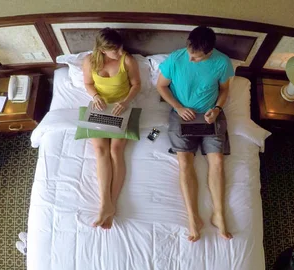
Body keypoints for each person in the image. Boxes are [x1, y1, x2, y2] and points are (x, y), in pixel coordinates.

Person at [156, 26, 234, 242]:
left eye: (197, 58)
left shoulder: (222, 63)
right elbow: (161, 86)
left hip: (210, 114)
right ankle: (193, 217)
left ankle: (219, 214)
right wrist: (179, 107)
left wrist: (217, 109)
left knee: (217, 160)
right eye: (190, 54)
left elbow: (225, 89)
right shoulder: (175, 59)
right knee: (184, 162)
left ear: (209, 53)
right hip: (181, 115)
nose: (191, 60)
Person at [82, 28, 141, 229]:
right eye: (114, 50)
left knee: (116, 150)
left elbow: (136, 85)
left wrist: (125, 102)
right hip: (100, 106)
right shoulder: (89, 61)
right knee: (100, 150)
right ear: (102, 50)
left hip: (122, 107)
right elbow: (88, 83)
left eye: (120, 47)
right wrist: (96, 96)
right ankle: (105, 205)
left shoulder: (128, 60)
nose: (119, 52)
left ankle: (109, 205)